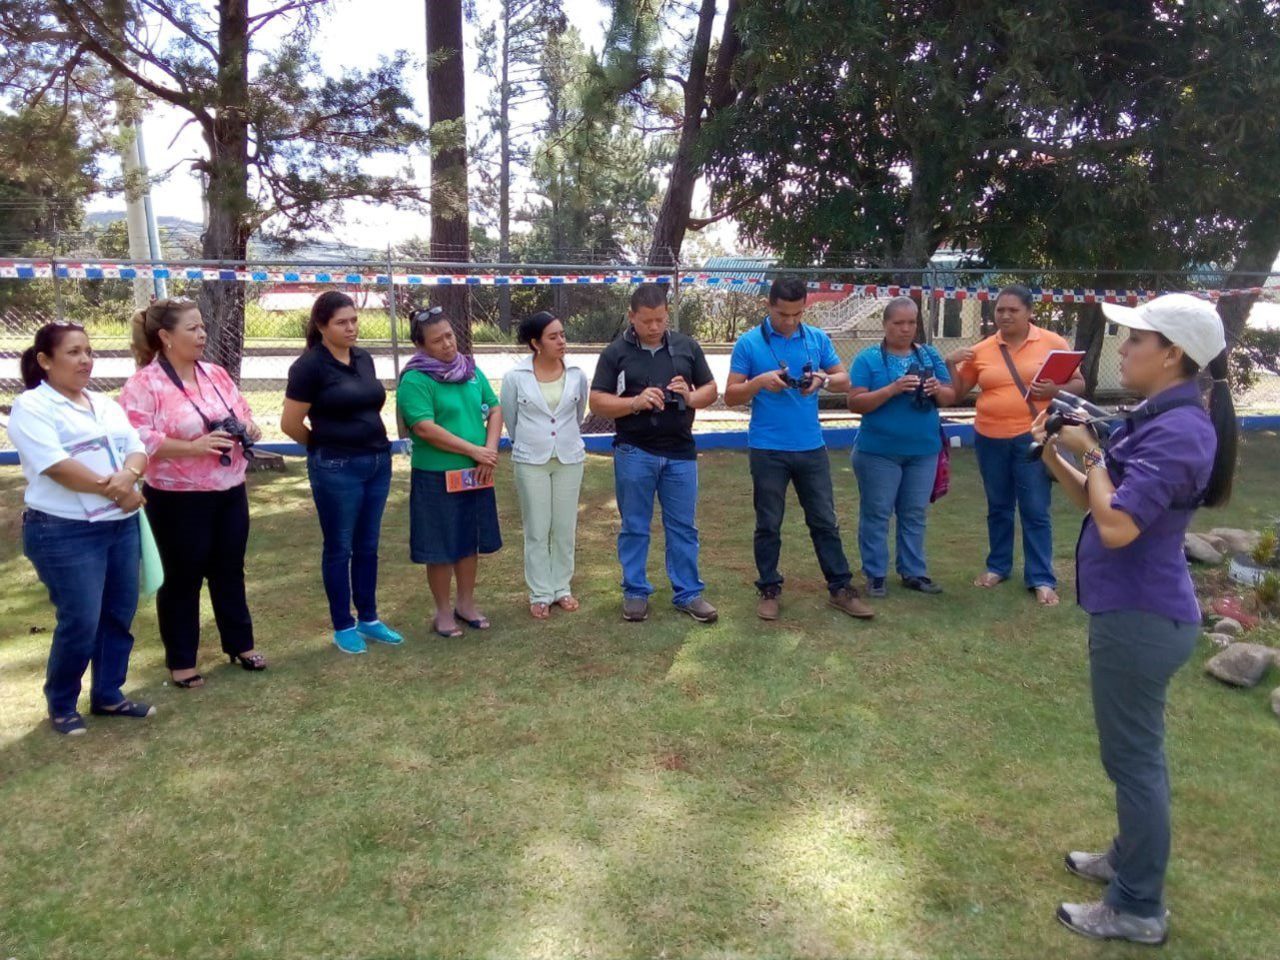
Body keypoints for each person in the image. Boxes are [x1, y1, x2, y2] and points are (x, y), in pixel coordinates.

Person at [1034, 294, 1234, 945]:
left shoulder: (1180, 432)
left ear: (1172, 354)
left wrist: (1089, 452)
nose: (1123, 348)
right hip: (1136, 611)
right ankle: (1128, 858)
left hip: (1142, 616)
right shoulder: (1159, 420)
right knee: (1133, 759)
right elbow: (1100, 505)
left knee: (1135, 760)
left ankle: (1139, 906)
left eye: (1136, 339)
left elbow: (1117, 526)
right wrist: (1057, 458)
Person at [8, 323, 155, 735]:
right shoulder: (33, 406)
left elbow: (137, 446)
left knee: (117, 614)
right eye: (74, 352)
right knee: (81, 620)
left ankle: (109, 694)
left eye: (89, 352)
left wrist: (128, 477)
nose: (85, 360)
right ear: (44, 360)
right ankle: (61, 701)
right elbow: (54, 465)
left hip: (119, 526)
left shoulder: (104, 404)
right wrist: (118, 489)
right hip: (63, 531)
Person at [118, 298, 267, 688]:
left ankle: (241, 644)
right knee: (183, 579)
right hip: (178, 498)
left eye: (202, 327)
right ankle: (182, 661)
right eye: (192, 328)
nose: (202, 335)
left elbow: (243, 411)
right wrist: (194, 447)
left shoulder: (215, 373)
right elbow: (135, 438)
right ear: (165, 337)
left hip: (229, 490)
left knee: (229, 571)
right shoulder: (144, 384)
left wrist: (247, 428)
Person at [724, 276, 874, 621]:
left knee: (824, 521)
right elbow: (731, 395)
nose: (790, 321)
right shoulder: (749, 343)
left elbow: (845, 380)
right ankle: (769, 588)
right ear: (768, 306)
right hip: (767, 448)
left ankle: (840, 588)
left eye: (797, 314)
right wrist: (759, 383)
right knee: (768, 522)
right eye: (782, 314)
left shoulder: (817, 338)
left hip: (811, 447)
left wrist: (822, 379)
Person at [588, 283, 719, 623]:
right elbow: (597, 401)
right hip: (634, 451)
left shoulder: (687, 347)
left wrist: (688, 397)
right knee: (634, 525)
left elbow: (710, 389)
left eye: (660, 319)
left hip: (680, 452)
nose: (654, 327)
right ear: (632, 317)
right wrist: (634, 402)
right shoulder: (615, 353)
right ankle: (635, 591)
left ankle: (688, 593)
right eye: (647, 321)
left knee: (683, 527)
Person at [947, 285, 1085, 605]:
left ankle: (1041, 578)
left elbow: (1080, 383)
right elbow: (957, 393)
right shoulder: (981, 350)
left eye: (1013, 310)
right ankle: (998, 566)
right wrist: (951, 365)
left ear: (1029, 313)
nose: (1005, 315)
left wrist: (1055, 387)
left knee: (1035, 508)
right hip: (989, 438)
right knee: (999, 506)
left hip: (1033, 438)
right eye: (1000, 310)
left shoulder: (1052, 343)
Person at [282, 291, 402, 654]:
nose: (351, 328)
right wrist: (324, 448)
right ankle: (342, 624)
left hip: (377, 463)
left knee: (368, 545)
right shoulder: (309, 367)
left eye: (353, 320)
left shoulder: (363, 358)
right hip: (337, 468)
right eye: (341, 322)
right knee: (340, 547)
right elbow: (291, 423)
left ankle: (369, 617)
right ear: (321, 326)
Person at [397, 306, 503, 638]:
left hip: (475, 473)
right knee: (440, 546)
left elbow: (495, 407)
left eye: (450, 335)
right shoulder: (415, 379)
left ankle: (466, 604)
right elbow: (425, 428)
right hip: (436, 475)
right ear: (421, 345)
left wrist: (488, 453)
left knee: (468, 541)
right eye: (437, 340)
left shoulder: (470, 370)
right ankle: (443, 611)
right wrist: (474, 451)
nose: (447, 344)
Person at [847, 296, 957, 597]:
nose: (906, 329)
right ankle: (876, 573)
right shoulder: (868, 358)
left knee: (914, 513)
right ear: (885, 325)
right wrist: (893, 389)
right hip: (878, 451)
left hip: (923, 451)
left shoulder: (929, 356)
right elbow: (855, 403)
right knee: (878, 512)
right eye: (898, 323)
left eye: (911, 322)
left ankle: (914, 572)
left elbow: (950, 396)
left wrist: (937, 389)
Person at [500, 311, 589, 620]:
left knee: (565, 526)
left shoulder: (577, 373)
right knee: (538, 528)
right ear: (536, 343)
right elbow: (511, 419)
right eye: (553, 337)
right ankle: (540, 592)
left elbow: (578, 415)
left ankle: (561, 587)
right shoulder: (515, 377)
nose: (561, 341)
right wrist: (532, 442)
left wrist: (562, 440)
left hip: (569, 457)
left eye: (562, 334)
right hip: (531, 460)